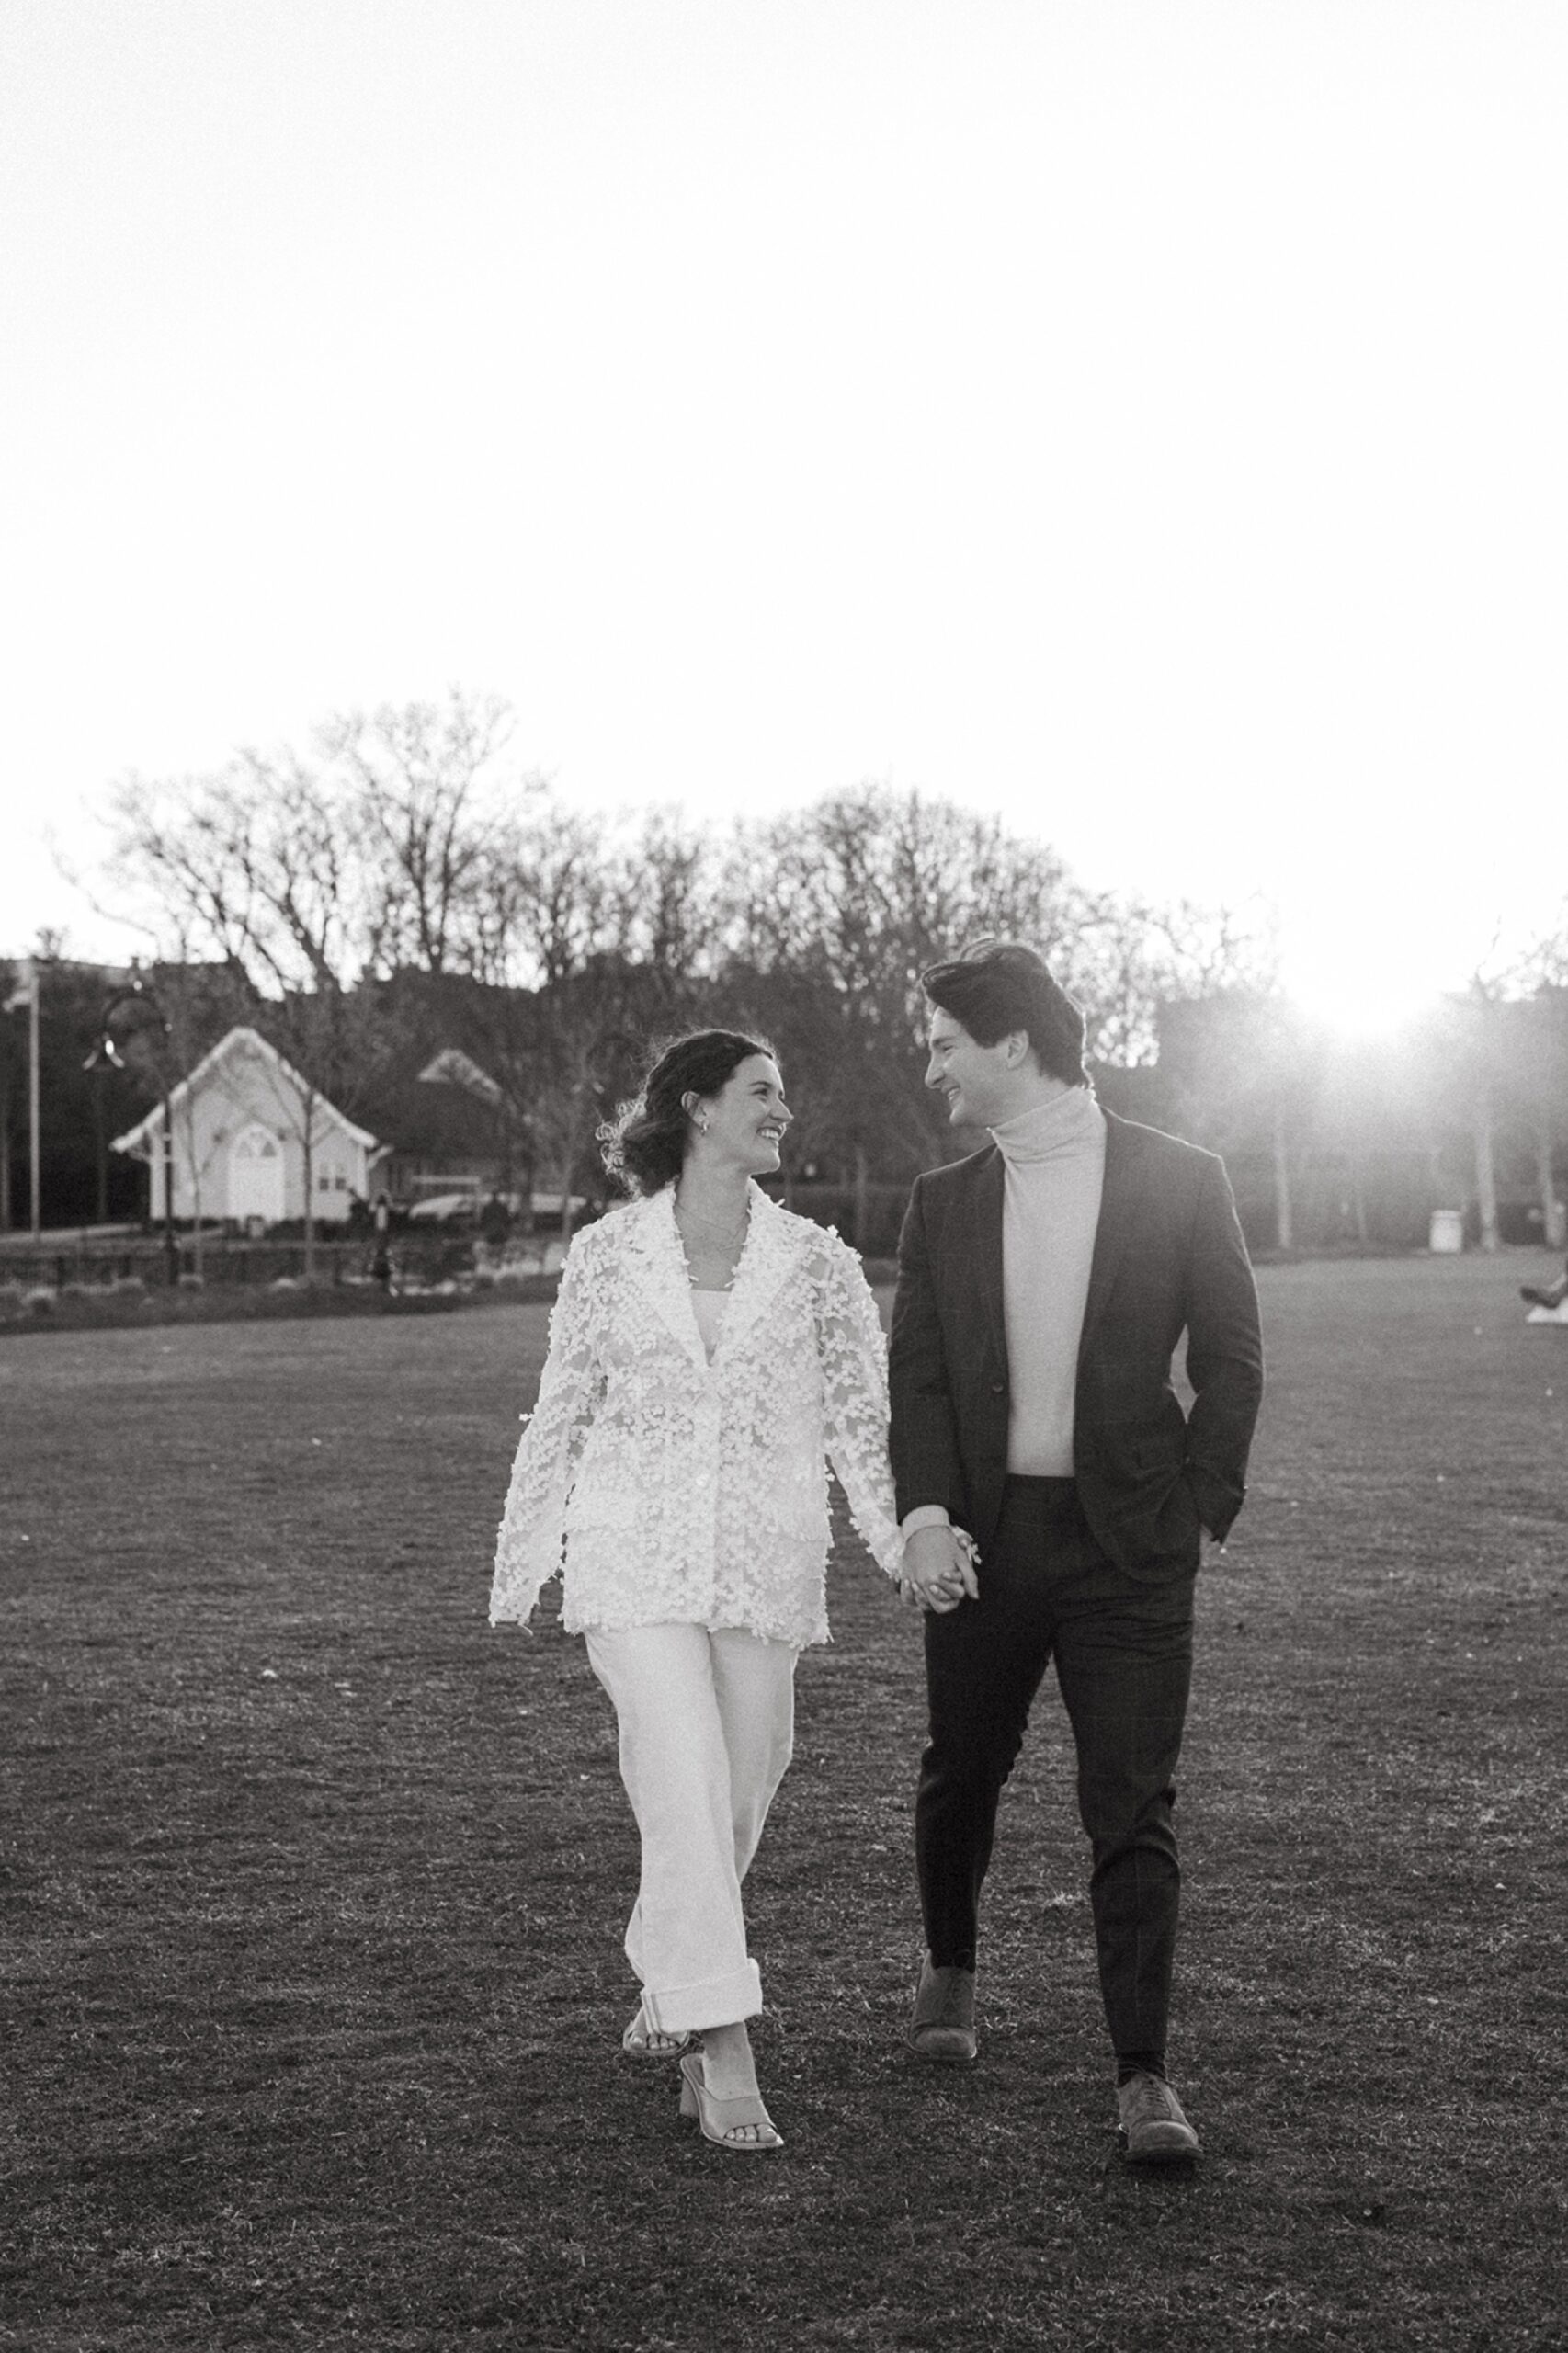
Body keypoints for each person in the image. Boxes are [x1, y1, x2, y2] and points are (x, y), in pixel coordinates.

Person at [491, 1029, 903, 2154]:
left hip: (762, 1563)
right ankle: (722, 2040)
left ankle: (672, 1975)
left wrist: (895, 1539)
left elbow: (862, 1426)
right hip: (631, 1552)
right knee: (679, 1767)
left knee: (739, 1783)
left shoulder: (819, 1262)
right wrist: (525, 1552)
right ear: (697, 1107)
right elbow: (565, 1402)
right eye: (762, 1091)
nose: (782, 1109)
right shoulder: (607, 1255)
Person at [889, 940, 1264, 2163]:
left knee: (1131, 1806)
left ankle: (1142, 2076)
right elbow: (924, 1384)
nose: (931, 1064)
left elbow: (1231, 1354)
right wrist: (927, 1515)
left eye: (945, 1041)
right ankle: (949, 1971)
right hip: (985, 1548)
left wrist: (1195, 1505)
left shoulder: (1178, 1177)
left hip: (1128, 1551)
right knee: (962, 1771)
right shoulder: (940, 1203)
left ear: (1010, 1045)